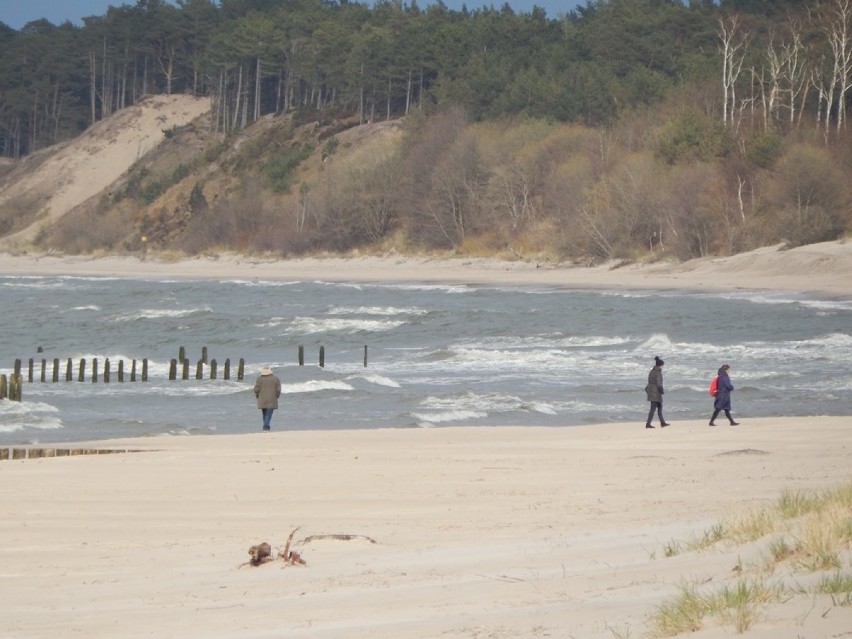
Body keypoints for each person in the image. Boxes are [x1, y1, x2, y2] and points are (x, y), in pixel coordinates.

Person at [644, 356, 670, 429]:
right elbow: (659, 384)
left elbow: (649, 381)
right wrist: (662, 391)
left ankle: (662, 422)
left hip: (651, 391)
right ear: (660, 365)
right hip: (656, 392)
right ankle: (648, 424)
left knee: (658, 407)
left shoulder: (652, 371)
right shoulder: (658, 373)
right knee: (654, 408)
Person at [253, 366, 282, 431]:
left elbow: (256, 389)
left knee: (264, 413)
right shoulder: (276, 379)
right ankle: (266, 426)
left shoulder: (259, 379)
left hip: (262, 399)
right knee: (269, 413)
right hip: (272, 399)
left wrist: (257, 396)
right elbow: (278, 390)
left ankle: (266, 426)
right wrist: (277, 396)